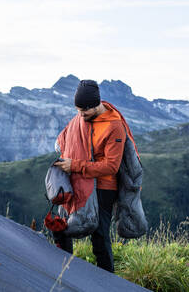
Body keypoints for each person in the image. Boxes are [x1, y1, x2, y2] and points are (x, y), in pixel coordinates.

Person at [54, 79, 136, 273]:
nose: (81, 115)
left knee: (99, 235)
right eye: (78, 111)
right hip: (79, 181)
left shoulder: (113, 126)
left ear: (95, 105)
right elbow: (63, 140)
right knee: (62, 225)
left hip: (104, 188)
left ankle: (107, 280)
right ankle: (64, 270)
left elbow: (111, 166)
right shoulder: (81, 118)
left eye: (85, 111)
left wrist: (75, 165)